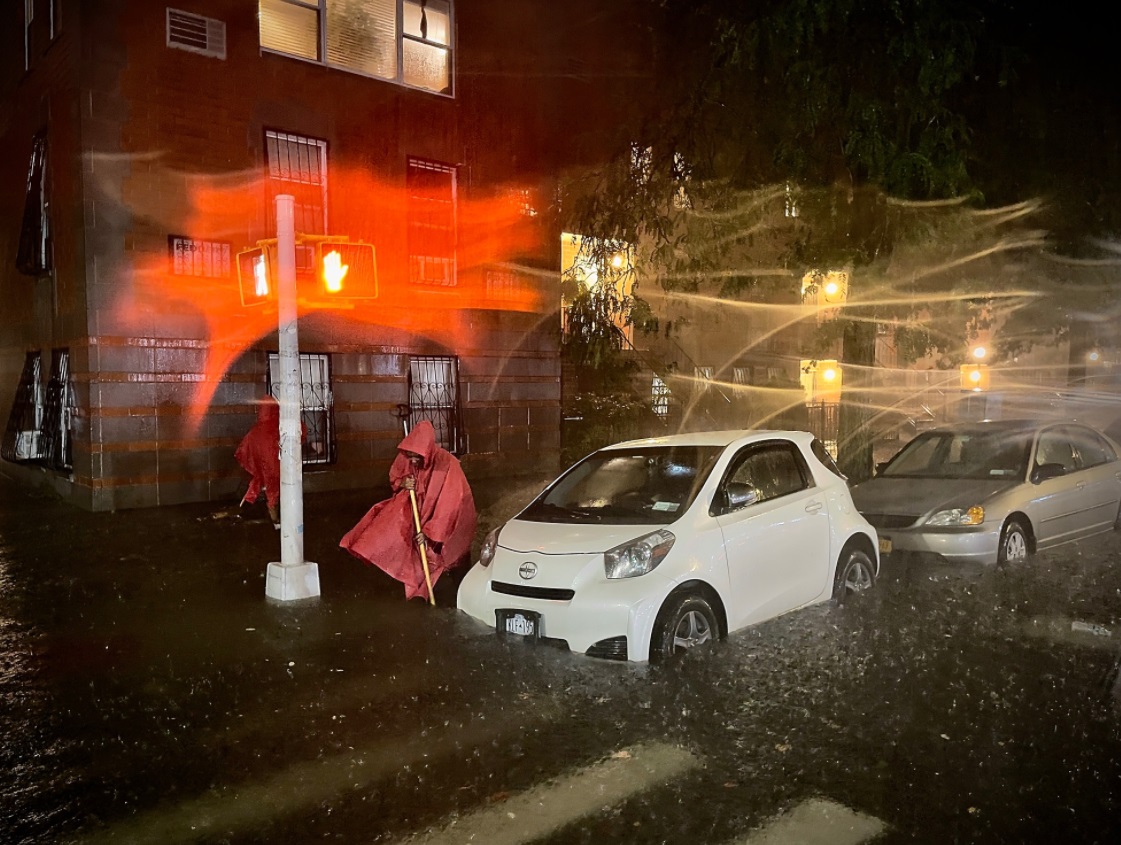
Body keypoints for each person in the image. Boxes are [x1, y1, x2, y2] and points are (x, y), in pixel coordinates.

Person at [340, 420, 477, 601]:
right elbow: (395, 477)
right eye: (410, 455)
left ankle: (454, 595)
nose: (412, 460)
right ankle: (418, 586)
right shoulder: (407, 457)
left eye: (417, 456)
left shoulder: (448, 465)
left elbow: (450, 508)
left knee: (452, 565)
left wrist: (429, 533)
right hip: (422, 512)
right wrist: (402, 482)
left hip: (450, 523)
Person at [235, 395, 282, 524]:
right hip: (277, 466)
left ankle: (273, 519)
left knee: (269, 490)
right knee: (274, 492)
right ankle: (275, 520)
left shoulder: (256, 430)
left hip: (262, 466)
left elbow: (243, 449)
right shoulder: (278, 426)